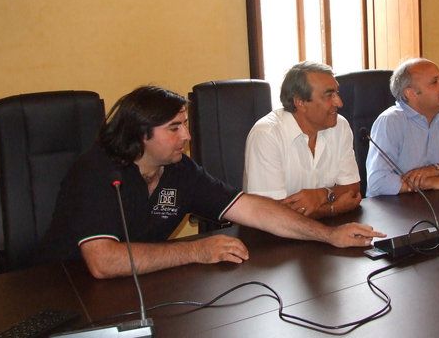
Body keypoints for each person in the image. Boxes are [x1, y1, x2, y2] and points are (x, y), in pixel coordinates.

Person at [38, 85, 384, 279]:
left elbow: (253, 209)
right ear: (140, 134)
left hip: (139, 288)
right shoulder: (97, 171)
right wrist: (197, 249)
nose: (187, 136)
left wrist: (329, 236)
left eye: (185, 125)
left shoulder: (179, 169)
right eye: (174, 128)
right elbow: (103, 261)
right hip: (66, 293)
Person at [243, 61, 361, 218]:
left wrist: (323, 194)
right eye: (329, 95)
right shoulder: (267, 135)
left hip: (327, 227)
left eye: (337, 93)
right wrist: (332, 208)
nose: (339, 102)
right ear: (300, 102)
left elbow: (352, 189)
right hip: (272, 232)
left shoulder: (340, 126)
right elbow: (270, 214)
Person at [365, 58, 439, 196]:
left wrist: (435, 170)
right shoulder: (390, 121)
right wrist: (428, 183)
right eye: (435, 82)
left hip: (437, 199)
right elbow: (377, 182)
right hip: (394, 204)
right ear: (411, 93)